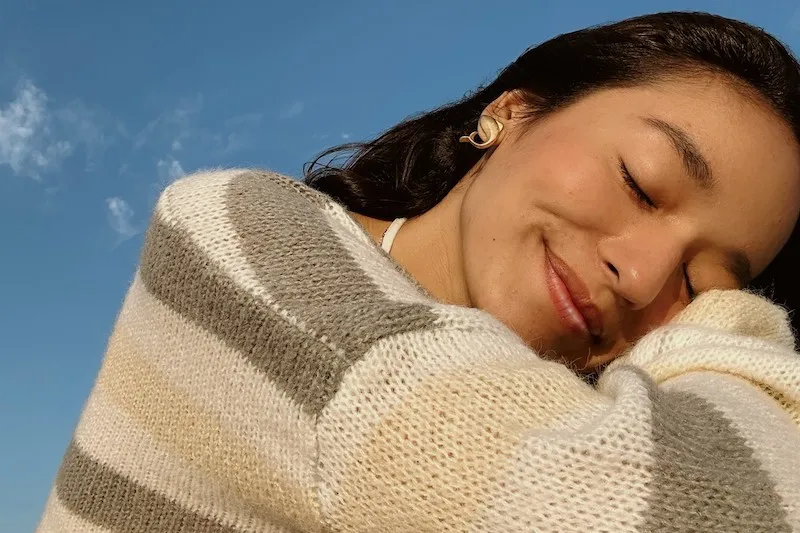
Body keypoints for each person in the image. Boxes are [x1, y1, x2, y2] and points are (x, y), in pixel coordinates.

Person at [37, 11, 800, 533]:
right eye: (641, 180)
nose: (641, 275)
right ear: (515, 112)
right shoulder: (244, 239)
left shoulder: (558, 411)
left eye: (700, 285)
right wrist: (739, 330)